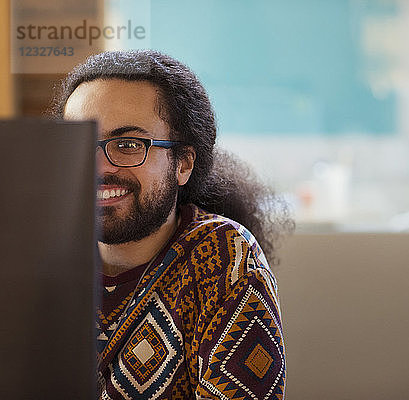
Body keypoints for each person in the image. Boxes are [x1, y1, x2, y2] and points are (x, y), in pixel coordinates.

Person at [50, 50, 290, 399]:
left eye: (129, 144)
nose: (98, 168)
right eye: (79, 144)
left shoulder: (225, 259)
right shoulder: (30, 255)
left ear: (183, 164)